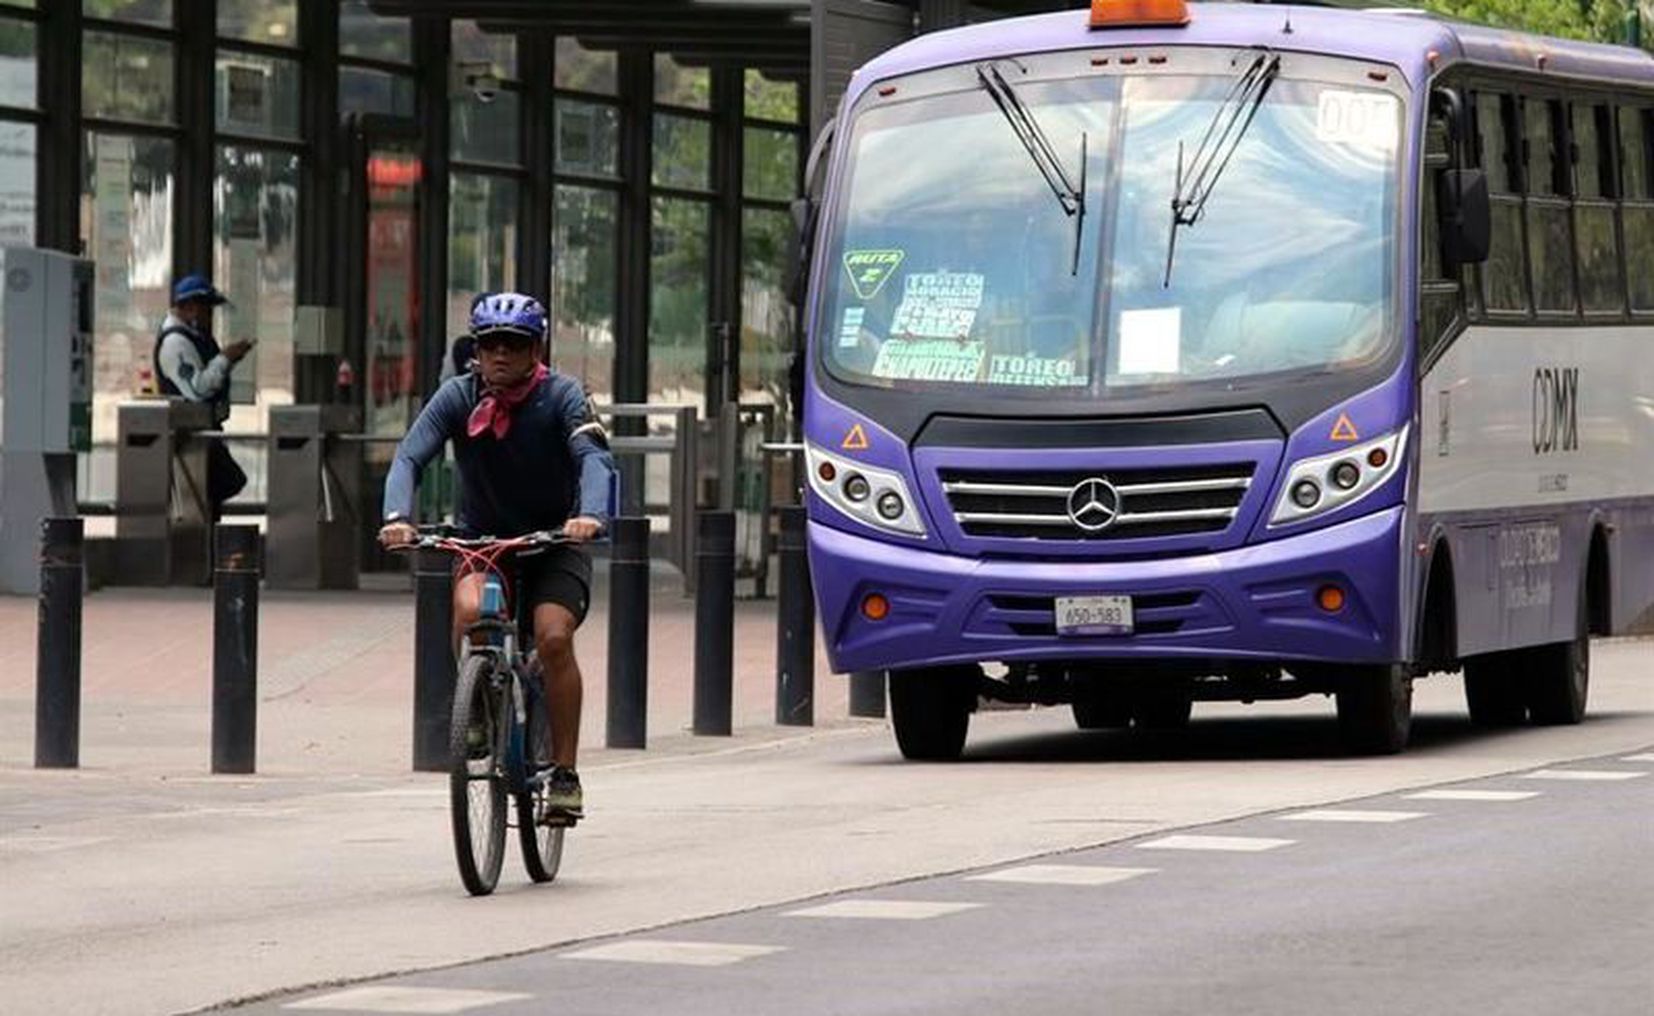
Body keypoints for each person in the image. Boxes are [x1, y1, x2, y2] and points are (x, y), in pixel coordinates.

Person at [378, 292, 613, 822]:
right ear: (476, 351)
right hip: (484, 542)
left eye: (514, 344)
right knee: (467, 610)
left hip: (554, 541)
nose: (501, 354)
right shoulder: (456, 397)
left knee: (553, 636)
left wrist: (590, 515)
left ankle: (566, 774)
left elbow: (594, 458)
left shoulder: (564, 396)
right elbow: (410, 455)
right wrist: (396, 517)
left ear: (536, 349)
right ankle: (478, 706)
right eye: (490, 345)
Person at [153, 273, 255, 519]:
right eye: (205, 308)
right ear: (189, 307)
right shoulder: (176, 343)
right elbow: (197, 389)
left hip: (204, 433)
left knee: (210, 505)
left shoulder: (196, 338)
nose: (209, 316)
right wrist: (225, 359)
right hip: (190, 440)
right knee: (200, 505)